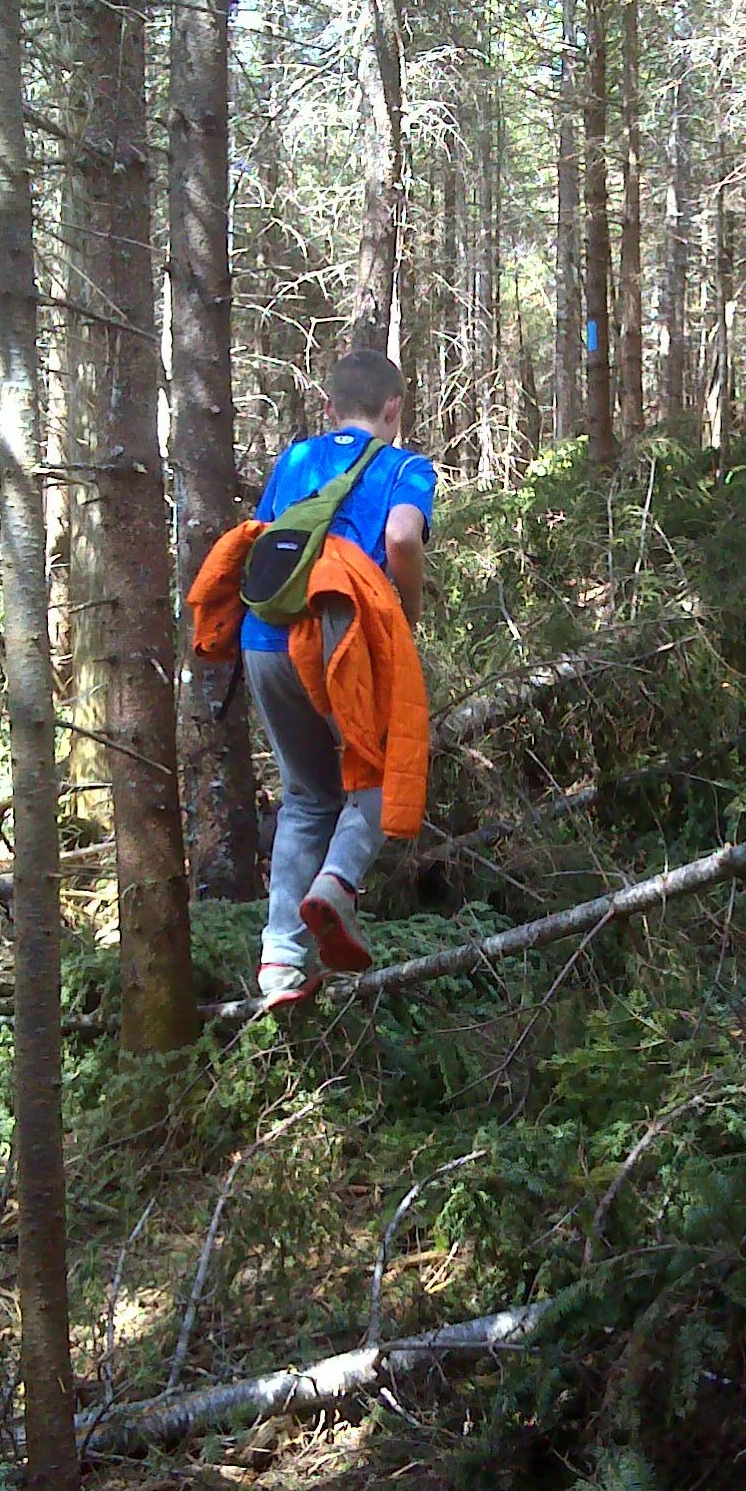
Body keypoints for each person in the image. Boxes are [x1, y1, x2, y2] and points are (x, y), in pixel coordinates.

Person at [239, 348, 435, 1008]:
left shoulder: (294, 460)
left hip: (265, 637)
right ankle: (338, 886)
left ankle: (280, 960)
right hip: (341, 639)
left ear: (328, 409)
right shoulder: (405, 466)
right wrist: (404, 616)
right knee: (380, 773)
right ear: (394, 409)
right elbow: (404, 538)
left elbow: (263, 542)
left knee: (306, 795)